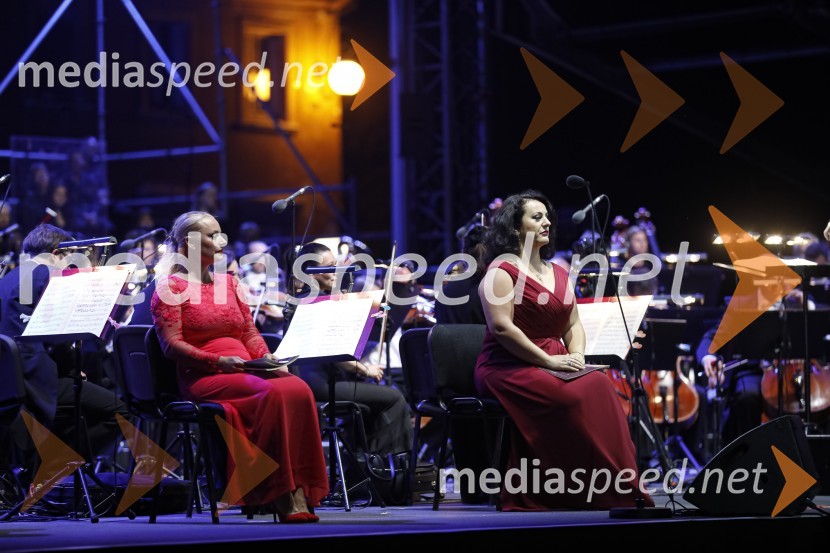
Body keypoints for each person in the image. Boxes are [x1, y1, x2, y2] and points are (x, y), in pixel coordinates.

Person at [474, 190, 650, 510]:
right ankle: (564, 489)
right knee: (570, 398)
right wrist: (548, 360)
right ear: (515, 228)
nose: (547, 222)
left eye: (547, 217)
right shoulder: (501, 270)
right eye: (536, 217)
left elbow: (573, 325)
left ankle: (614, 485)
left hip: (556, 360)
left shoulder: (558, 271)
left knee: (600, 386)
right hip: (508, 364)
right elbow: (502, 328)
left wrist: (578, 356)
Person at [150, 211, 326, 521]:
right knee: (268, 395)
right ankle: (279, 494)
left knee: (298, 389)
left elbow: (248, 331)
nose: (221, 240)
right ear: (188, 243)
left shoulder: (229, 283)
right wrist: (218, 361)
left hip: (243, 365)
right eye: (211, 235)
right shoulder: (170, 288)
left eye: (220, 232)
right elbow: (171, 346)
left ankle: (299, 489)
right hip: (204, 374)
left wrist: (266, 356)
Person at [0, 224, 129, 462]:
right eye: (71, 258)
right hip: (34, 382)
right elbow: (54, 333)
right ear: (58, 252)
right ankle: (55, 464)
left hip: (9, 382)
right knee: (120, 411)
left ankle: (44, 462)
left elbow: (32, 331)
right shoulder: (43, 274)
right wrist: (71, 369)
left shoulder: (9, 277)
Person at [288, 242, 413, 456]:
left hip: (319, 380)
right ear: (313, 272)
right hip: (322, 383)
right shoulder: (317, 302)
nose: (337, 272)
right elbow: (333, 351)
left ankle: (369, 469)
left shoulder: (306, 299)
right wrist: (365, 369)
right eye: (329, 266)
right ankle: (394, 472)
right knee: (394, 398)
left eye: (336, 265)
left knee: (370, 406)